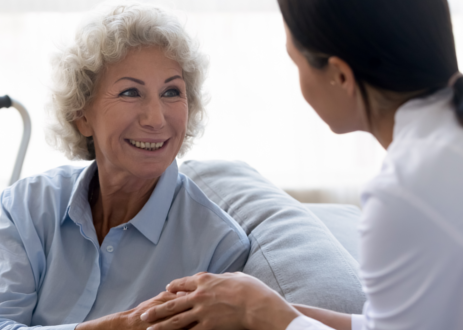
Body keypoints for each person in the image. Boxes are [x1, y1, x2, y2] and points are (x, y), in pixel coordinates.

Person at [141, 0, 463, 329]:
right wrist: (262, 306)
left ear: (340, 75)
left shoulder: (406, 191)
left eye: (296, 64)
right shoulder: (439, 151)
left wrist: (262, 310)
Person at [0, 4, 250, 330]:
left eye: (171, 92)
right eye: (130, 92)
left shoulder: (217, 247)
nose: (155, 118)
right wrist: (119, 327)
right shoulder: (28, 206)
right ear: (82, 116)